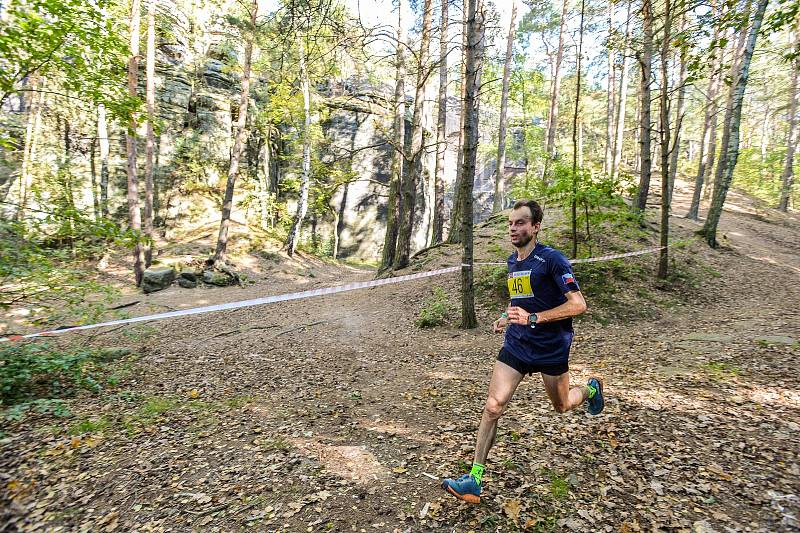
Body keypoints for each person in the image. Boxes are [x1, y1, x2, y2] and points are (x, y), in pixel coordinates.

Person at [441, 199, 604, 504]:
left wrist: (535, 318)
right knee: (493, 406)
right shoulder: (512, 262)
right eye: (511, 223)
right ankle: (474, 479)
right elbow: (519, 300)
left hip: (550, 347)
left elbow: (578, 304)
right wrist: (507, 316)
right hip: (517, 344)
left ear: (536, 226)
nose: (514, 228)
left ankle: (591, 391)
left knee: (562, 405)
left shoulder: (553, 260)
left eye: (521, 223)